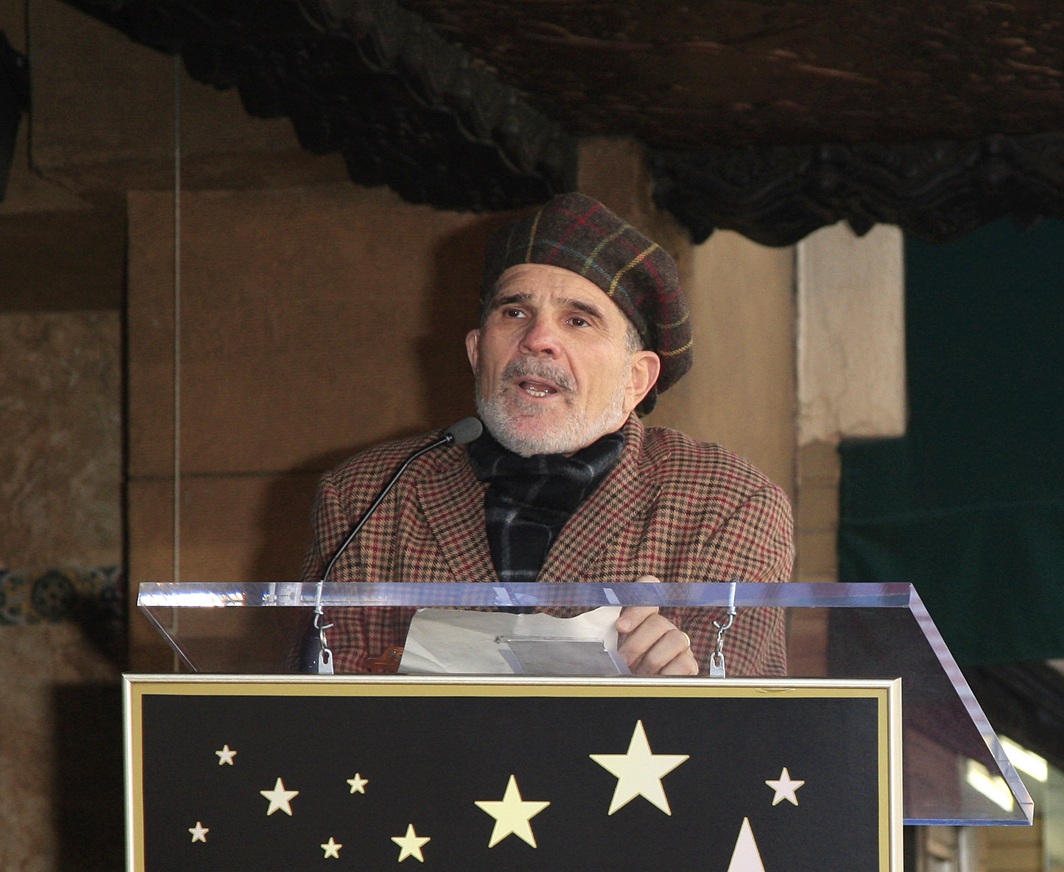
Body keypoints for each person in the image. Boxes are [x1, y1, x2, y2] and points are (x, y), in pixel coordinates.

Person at [300, 192, 793, 676]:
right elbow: (320, 704)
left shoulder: (727, 503)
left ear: (636, 379)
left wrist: (677, 688)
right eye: (514, 312)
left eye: (578, 320)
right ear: (477, 353)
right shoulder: (367, 494)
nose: (537, 340)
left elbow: (739, 712)